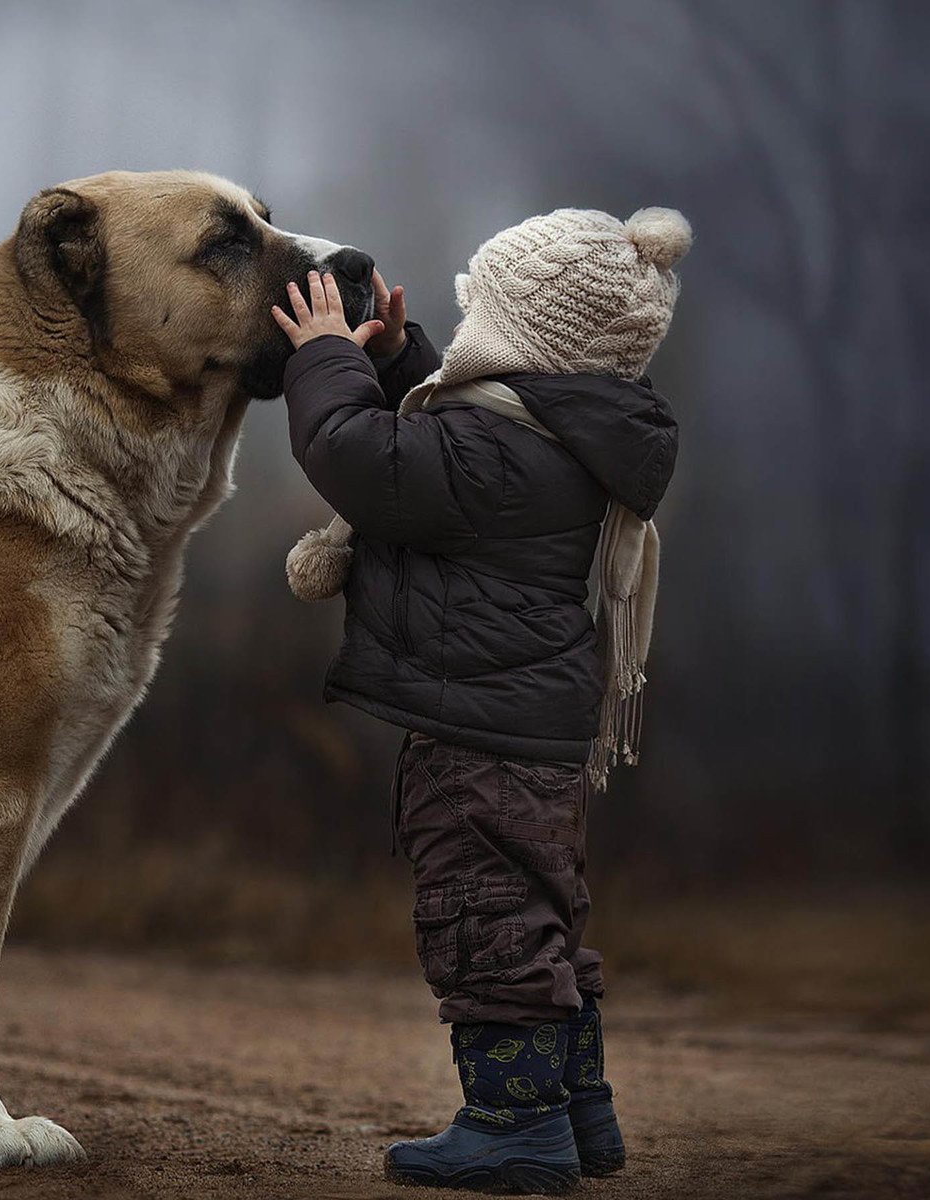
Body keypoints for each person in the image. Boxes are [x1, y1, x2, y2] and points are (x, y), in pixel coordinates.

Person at [269, 206, 690, 1192]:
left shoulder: (499, 456)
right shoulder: (549, 434)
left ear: (526, 334)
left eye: (478, 315)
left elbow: (358, 456)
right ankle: (578, 1113)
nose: (464, 337)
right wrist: (395, 356)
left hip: (479, 738)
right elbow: (439, 438)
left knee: (484, 918)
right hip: (530, 729)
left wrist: (325, 359)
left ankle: (514, 1127)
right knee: (538, 913)